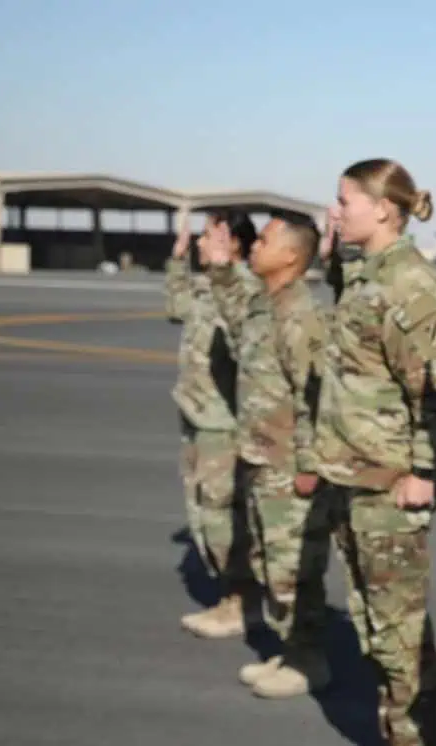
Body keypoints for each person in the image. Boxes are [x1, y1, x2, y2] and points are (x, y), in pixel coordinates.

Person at [314, 158, 436, 746]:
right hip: (356, 474)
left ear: (383, 209)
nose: (335, 211)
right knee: (376, 625)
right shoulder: (368, 273)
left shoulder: (410, 283)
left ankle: (413, 736)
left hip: (391, 482)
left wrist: (424, 471)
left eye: (344, 201)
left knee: (397, 633)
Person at [200, 210, 332, 698]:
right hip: (260, 458)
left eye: (266, 239)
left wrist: (309, 466)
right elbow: (235, 314)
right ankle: (290, 650)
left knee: (293, 569)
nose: (254, 244)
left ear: (291, 256)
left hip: (287, 466)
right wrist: (217, 268)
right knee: (270, 562)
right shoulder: (266, 305)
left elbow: (314, 397)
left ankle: (309, 660)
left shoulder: (302, 315)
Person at [165, 208, 263, 639]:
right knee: (202, 510)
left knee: (223, 515)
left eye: (207, 235)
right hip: (196, 414)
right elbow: (176, 308)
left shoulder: (242, 290)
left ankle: (241, 601)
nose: (202, 243)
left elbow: (249, 345)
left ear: (233, 242)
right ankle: (233, 597)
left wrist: (225, 272)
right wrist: (177, 260)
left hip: (223, 422)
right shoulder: (207, 287)